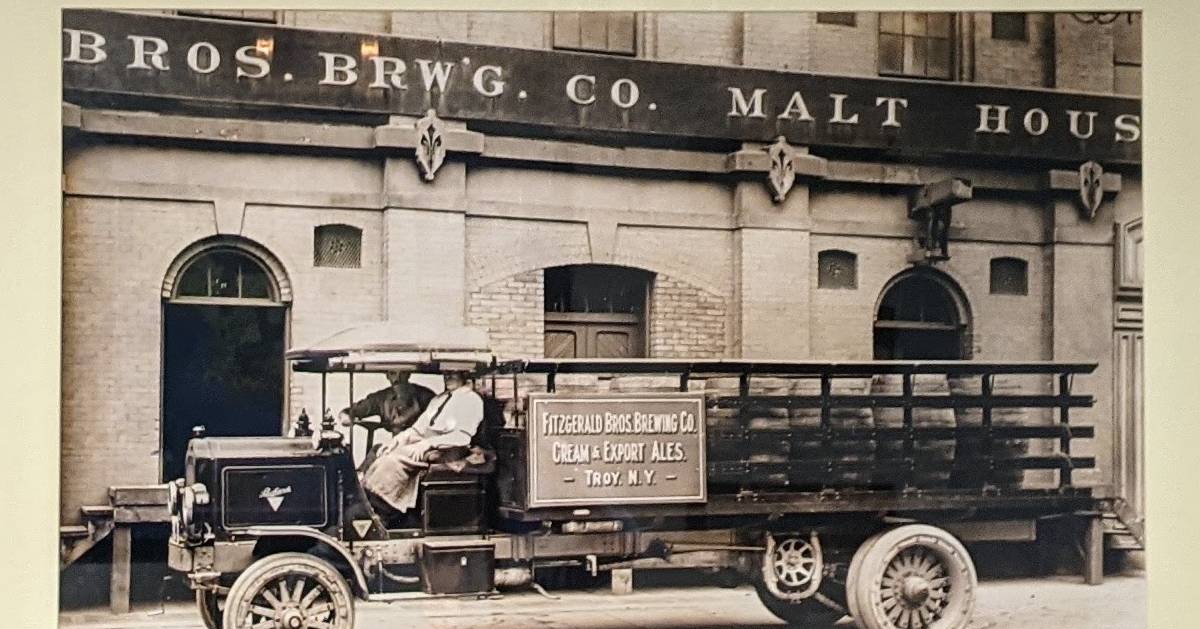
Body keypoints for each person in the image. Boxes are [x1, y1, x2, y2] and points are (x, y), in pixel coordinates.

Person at [361, 370, 484, 519]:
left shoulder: (472, 400)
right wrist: (397, 440)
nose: (447, 376)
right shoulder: (438, 399)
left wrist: (426, 444)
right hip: (427, 446)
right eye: (446, 372)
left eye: (453, 373)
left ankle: (386, 512)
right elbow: (417, 429)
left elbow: (462, 437)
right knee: (382, 451)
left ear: (464, 375)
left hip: (448, 451)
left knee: (392, 461)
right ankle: (369, 503)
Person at [339, 370, 436, 435]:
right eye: (393, 373)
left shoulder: (425, 396)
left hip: (419, 446)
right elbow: (352, 411)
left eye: (402, 373)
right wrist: (347, 416)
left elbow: (439, 419)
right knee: (374, 454)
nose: (397, 379)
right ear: (387, 376)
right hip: (394, 445)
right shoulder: (381, 398)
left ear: (409, 374)